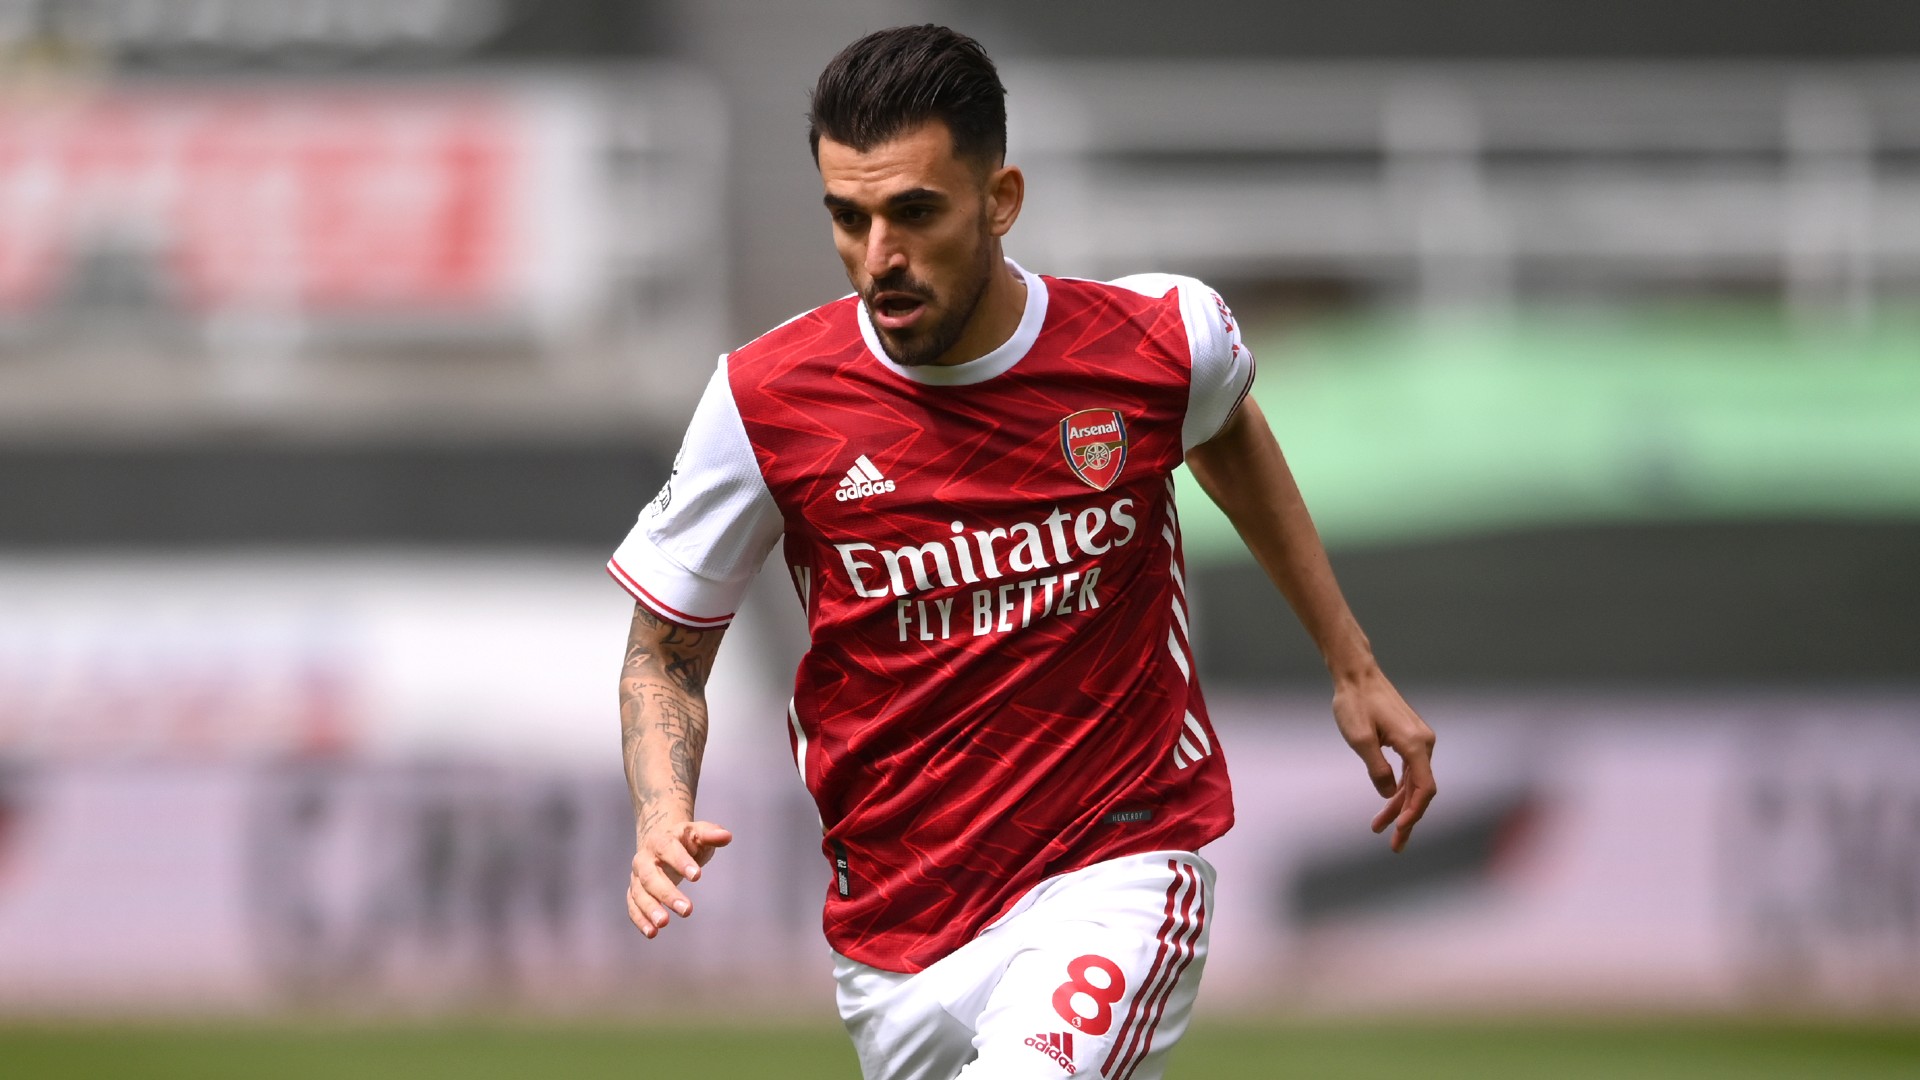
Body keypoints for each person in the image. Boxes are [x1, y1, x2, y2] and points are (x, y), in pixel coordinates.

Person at [609, 24, 1435, 1080]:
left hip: (1117, 869)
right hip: (896, 936)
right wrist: (661, 809)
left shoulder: (1155, 344)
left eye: (916, 212)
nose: (879, 256)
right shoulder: (764, 402)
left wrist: (1351, 663)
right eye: (849, 218)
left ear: (1000, 200)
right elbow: (664, 654)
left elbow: (1227, 427)